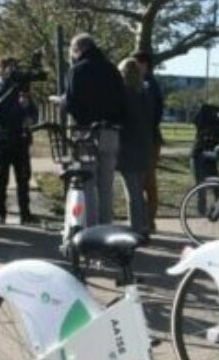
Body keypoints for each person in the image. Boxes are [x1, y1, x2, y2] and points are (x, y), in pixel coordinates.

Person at [63, 33, 124, 225]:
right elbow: (122, 100)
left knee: (87, 182)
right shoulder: (112, 69)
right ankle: (106, 225)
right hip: (110, 131)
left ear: (77, 50)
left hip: (85, 132)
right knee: (106, 185)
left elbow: (71, 102)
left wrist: (63, 104)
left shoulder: (76, 71)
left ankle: (90, 227)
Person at [0, 57, 38, 225]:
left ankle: (25, 214)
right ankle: (0, 214)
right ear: (1, 70)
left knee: (23, 179)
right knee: (1, 180)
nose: (13, 71)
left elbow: (33, 113)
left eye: (15, 68)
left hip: (20, 140)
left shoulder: (24, 90)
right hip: (2, 141)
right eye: (9, 68)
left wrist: (29, 113)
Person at [116, 58, 153, 237]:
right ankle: (144, 226)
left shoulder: (122, 94)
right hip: (144, 146)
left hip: (127, 146)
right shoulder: (145, 94)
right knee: (139, 189)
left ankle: (136, 229)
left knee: (132, 191)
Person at [132, 51, 162, 231]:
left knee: (147, 182)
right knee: (144, 182)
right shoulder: (146, 83)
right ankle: (146, 220)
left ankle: (148, 221)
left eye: (135, 64)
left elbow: (154, 113)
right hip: (148, 138)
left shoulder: (149, 85)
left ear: (144, 64)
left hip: (149, 139)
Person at [191, 102, 219, 214]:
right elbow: (204, 109)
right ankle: (204, 212)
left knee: (214, 185)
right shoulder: (211, 119)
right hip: (200, 155)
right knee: (202, 187)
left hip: (207, 156)